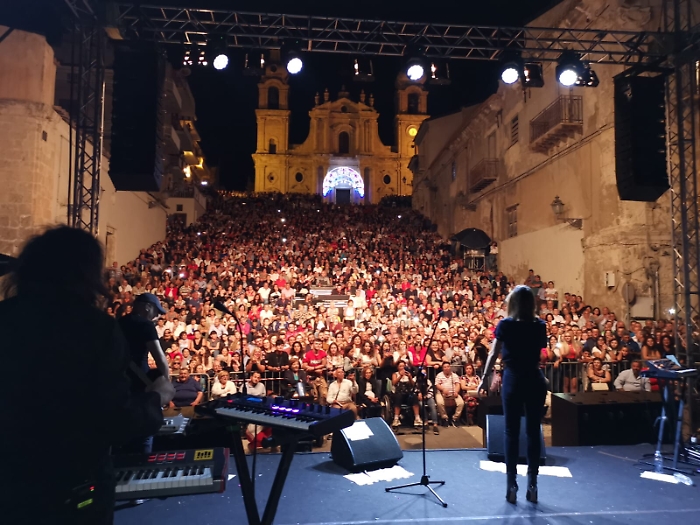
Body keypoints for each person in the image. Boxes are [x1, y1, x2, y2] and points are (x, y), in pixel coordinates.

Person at [0, 226, 164, 525]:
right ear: (86, 274)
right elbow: (114, 419)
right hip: (71, 484)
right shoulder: (95, 328)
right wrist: (156, 398)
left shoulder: (6, 318)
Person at [479, 285, 547, 505]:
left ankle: (511, 484)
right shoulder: (539, 325)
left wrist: (484, 378)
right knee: (533, 431)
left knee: (511, 431)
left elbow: (493, 353)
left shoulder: (506, 325)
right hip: (534, 377)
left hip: (514, 377)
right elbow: (539, 353)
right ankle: (533, 484)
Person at [117, 292, 175, 454]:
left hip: (120, 384)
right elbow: (159, 358)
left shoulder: (118, 323)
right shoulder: (145, 325)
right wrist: (165, 385)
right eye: (156, 311)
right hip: (141, 385)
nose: (156, 316)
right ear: (147, 307)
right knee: (144, 435)